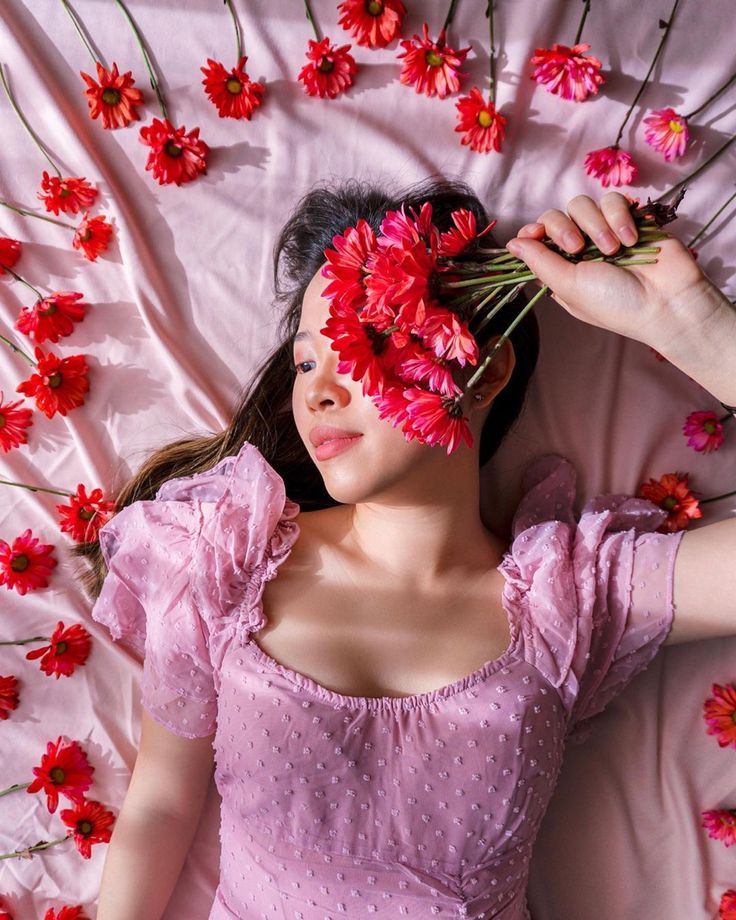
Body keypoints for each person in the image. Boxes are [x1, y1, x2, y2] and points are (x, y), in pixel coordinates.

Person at [79, 176, 736, 920]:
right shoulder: (222, 560)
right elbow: (159, 809)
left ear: (482, 372)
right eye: (304, 362)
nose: (319, 391)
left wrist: (693, 324)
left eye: (364, 342)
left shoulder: (572, 595)